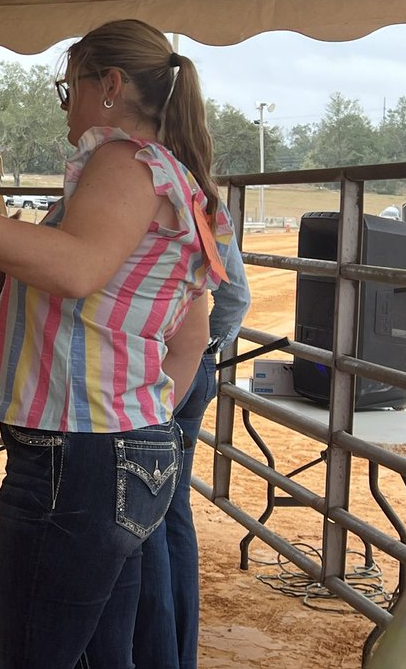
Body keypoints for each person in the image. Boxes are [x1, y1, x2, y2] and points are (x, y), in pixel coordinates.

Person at [0, 18, 229, 669]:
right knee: (107, 656)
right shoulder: (182, 183)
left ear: (109, 84)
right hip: (121, 449)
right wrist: (135, 416)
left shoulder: (123, 160)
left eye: (69, 87)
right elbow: (191, 335)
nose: (67, 105)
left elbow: (76, 266)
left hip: (73, 460)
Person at [134, 208, 250, 669]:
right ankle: (177, 651)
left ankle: (151, 651)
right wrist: (205, 350)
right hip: (193, 366)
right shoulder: (209, 207)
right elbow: (236, 298)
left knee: (144, 515)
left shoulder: (154, 201)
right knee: (172, 510)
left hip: (151, 369)